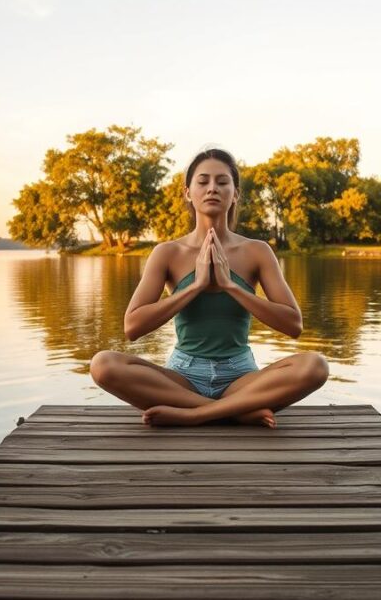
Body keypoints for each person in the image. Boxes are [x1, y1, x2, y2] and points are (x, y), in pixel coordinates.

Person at [89, 148, 329, 428]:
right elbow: (132, 327)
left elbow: (294, 324)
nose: (212, 188)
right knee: (102, 365)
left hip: (240, 378)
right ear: (188, 192)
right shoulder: (168, 252)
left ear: (235, 194)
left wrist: (230, 285)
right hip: (183, 378)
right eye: (203, 182)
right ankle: (236, 412)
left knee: (315, 366)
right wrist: (195, 286)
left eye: (222, 182)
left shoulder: (256, 252)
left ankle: (195, 414)